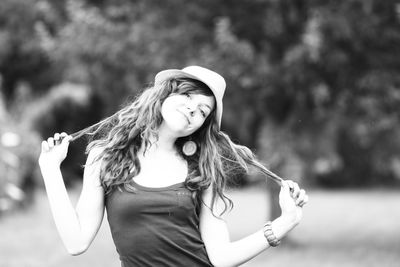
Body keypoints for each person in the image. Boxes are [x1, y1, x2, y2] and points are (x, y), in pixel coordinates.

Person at [38, 66, 309, 267]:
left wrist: (285, 222)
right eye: (189, 96)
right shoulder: (106, 157)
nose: (194, 110)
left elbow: (221, 256)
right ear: (166, 94)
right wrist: (50, 170)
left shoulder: (201, 170)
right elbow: (76, 242)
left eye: (204, 111)